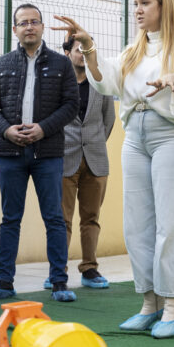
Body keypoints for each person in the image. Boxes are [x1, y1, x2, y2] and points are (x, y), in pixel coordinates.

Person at [54, 0, 174, 338]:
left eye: (145, 3)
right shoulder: (134, 50)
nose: (138, 10)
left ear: (164, 5)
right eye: (137, 3)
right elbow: (106, 79)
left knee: (172, 221)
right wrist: (88, 45)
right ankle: (150, 304)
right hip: (136, 137)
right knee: (137, 224)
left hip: (172, 135)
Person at [0, 3, 79, 302]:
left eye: (34, 21)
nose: (29, 27)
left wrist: (43, 129)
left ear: (41, 27)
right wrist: (6, 130)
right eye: (23, 23)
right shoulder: (1, 64)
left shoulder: (62, 65)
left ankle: (60, 282)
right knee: (10, 218)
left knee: (54, 218)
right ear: (15, 29)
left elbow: (71, 105)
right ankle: (3, 282)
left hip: (48, 153)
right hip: (10, 154)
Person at [55, 35, 116, 291]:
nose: (82, 54)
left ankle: (89, 269)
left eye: (86, 50)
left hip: (96, 160)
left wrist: (96, 143)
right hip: (64, 158)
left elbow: (108, 120)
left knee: (91, 218)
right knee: (62, 220)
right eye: (77, 50)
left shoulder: (99, 81)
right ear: (67, 52)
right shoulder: (57, 83)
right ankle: (57, 272)